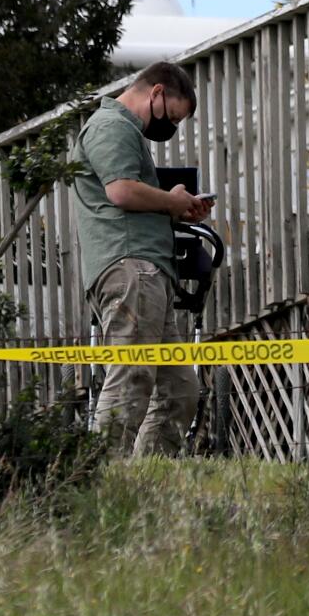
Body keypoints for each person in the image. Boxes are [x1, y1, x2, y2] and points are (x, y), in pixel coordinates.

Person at [70, 60, 214, 457]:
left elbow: (132, 194)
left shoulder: (126, 133)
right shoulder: (110, 127)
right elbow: (120, 192)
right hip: (130, 268)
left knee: (180, 390)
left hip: (150, 272)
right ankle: (100, 478)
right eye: (170, 116)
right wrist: (171, 201)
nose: (168, 128)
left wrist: (176, 207)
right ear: (155, 93)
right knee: (131, 377)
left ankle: (146, 477)